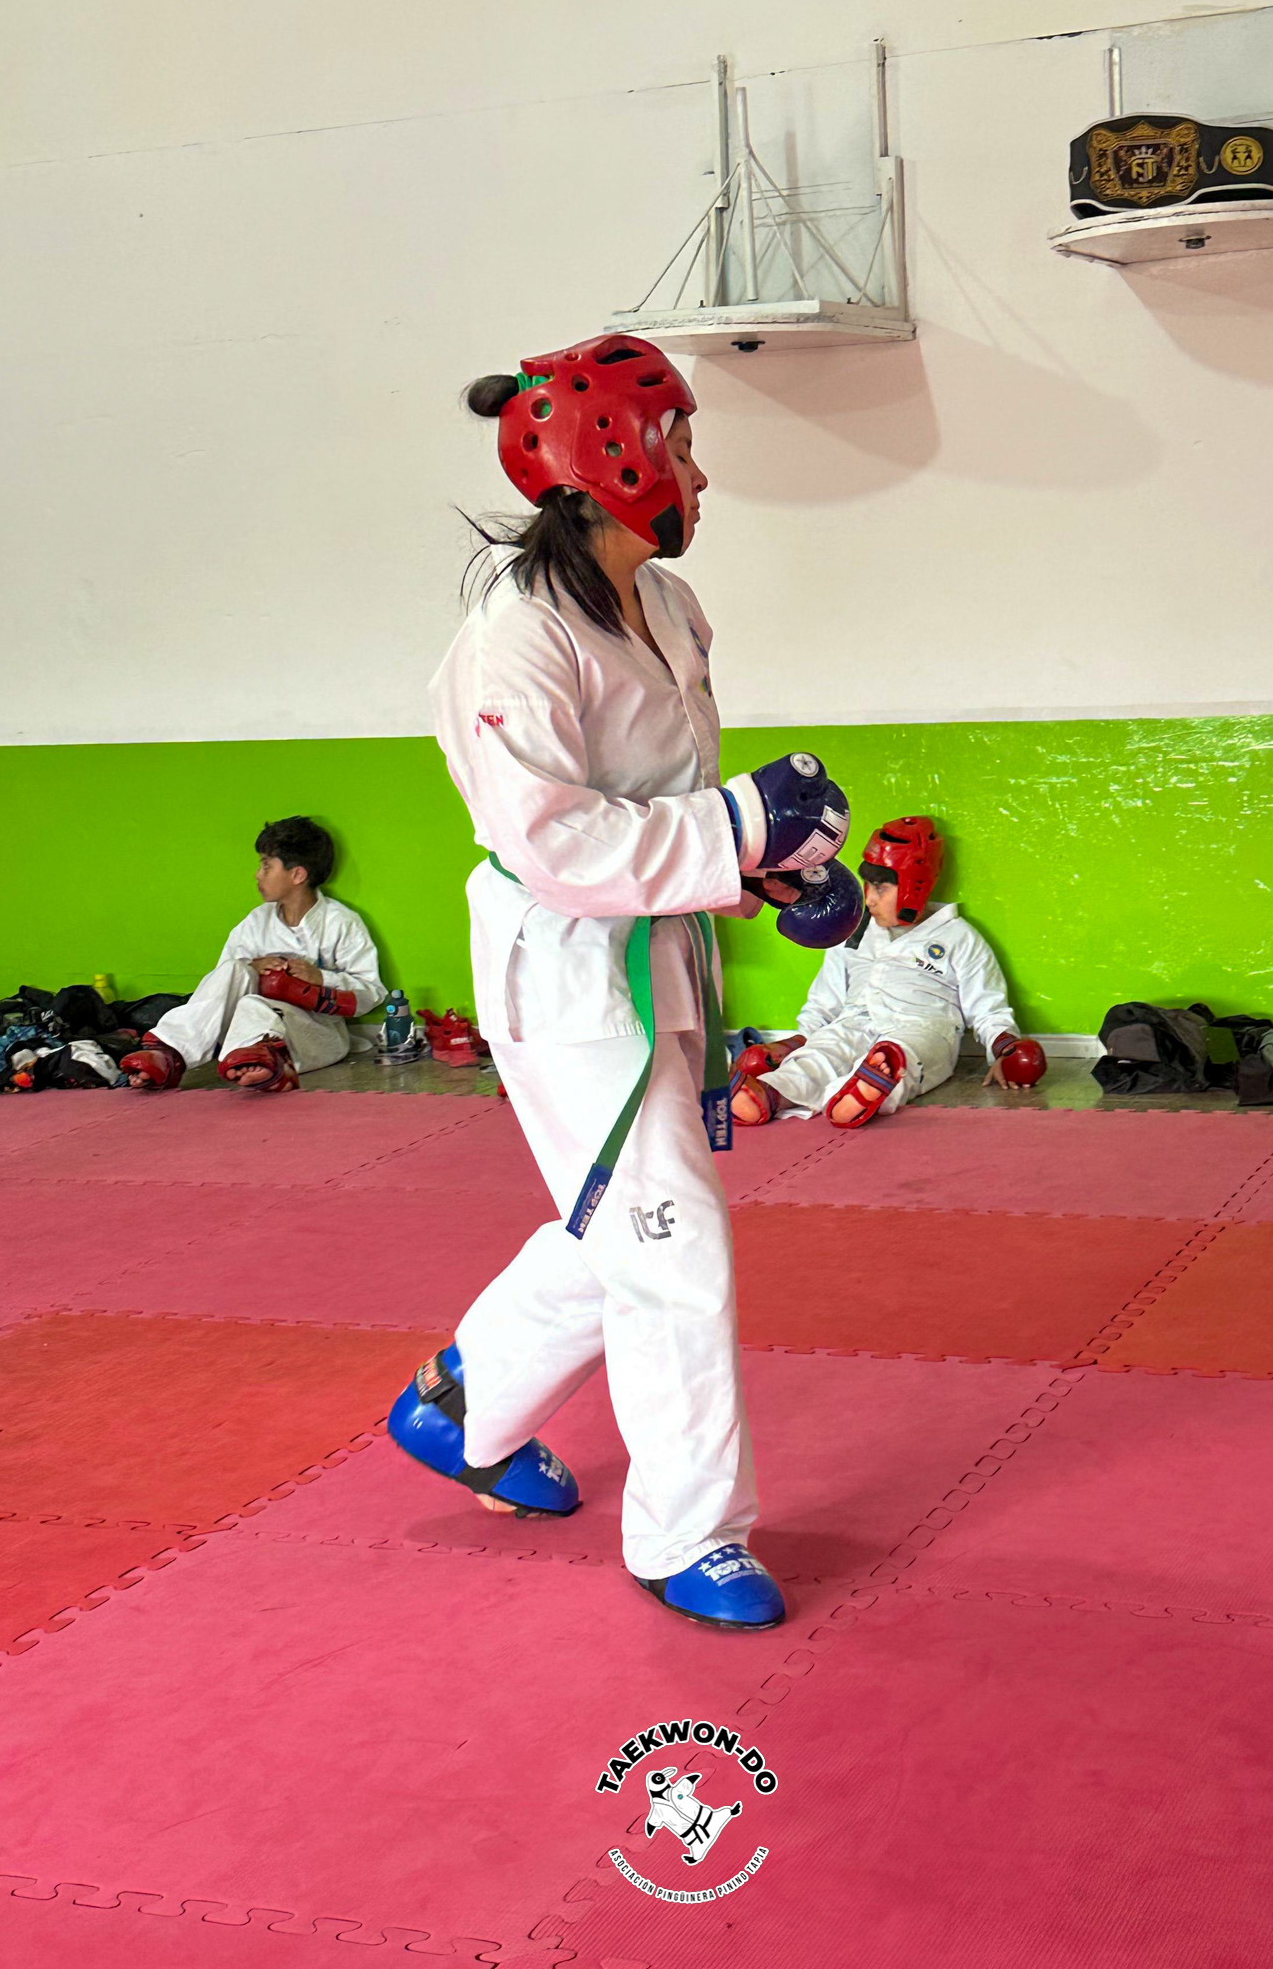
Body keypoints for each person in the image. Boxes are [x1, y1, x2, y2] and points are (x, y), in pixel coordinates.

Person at [386, 333, 861, 1631]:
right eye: (683, 449)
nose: (700, 476)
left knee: (625, 1218)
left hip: (658, 949)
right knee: (672, 1242)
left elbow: (661, 799)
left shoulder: (669, 605)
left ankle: (464, 1403)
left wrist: (767, 868)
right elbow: (556, 841)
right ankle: (686, 1535)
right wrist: (739, 830)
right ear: (616, 463)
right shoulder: (515, 637)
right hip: (565, 967)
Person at [731, 815, 1045, 1127]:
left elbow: (987, 1007)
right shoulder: (852, 928)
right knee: (823, 1052)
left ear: (914, 887)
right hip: (854, 1021)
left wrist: (1004, 1047)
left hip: (923, 1027)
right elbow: (825, 998)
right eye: (867, 886)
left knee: (901, 1058)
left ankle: (864, 1090)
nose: (868, 899)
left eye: (880, 889)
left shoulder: (958, 936)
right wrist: (801, 1040)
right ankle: (773, 1093)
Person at [119, 817, 385, 1092]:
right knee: (234, 970)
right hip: (244, 1033)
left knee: (253, 1006)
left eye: (266, 866)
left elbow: (372, 991)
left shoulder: (340, 922)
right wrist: (251, 966)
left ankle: (269, 1059)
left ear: (297, 875)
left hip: (316, 1034)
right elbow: (219, 984)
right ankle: (169, 1053)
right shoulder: (257, 921)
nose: (258, 875)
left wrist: (320, 978)